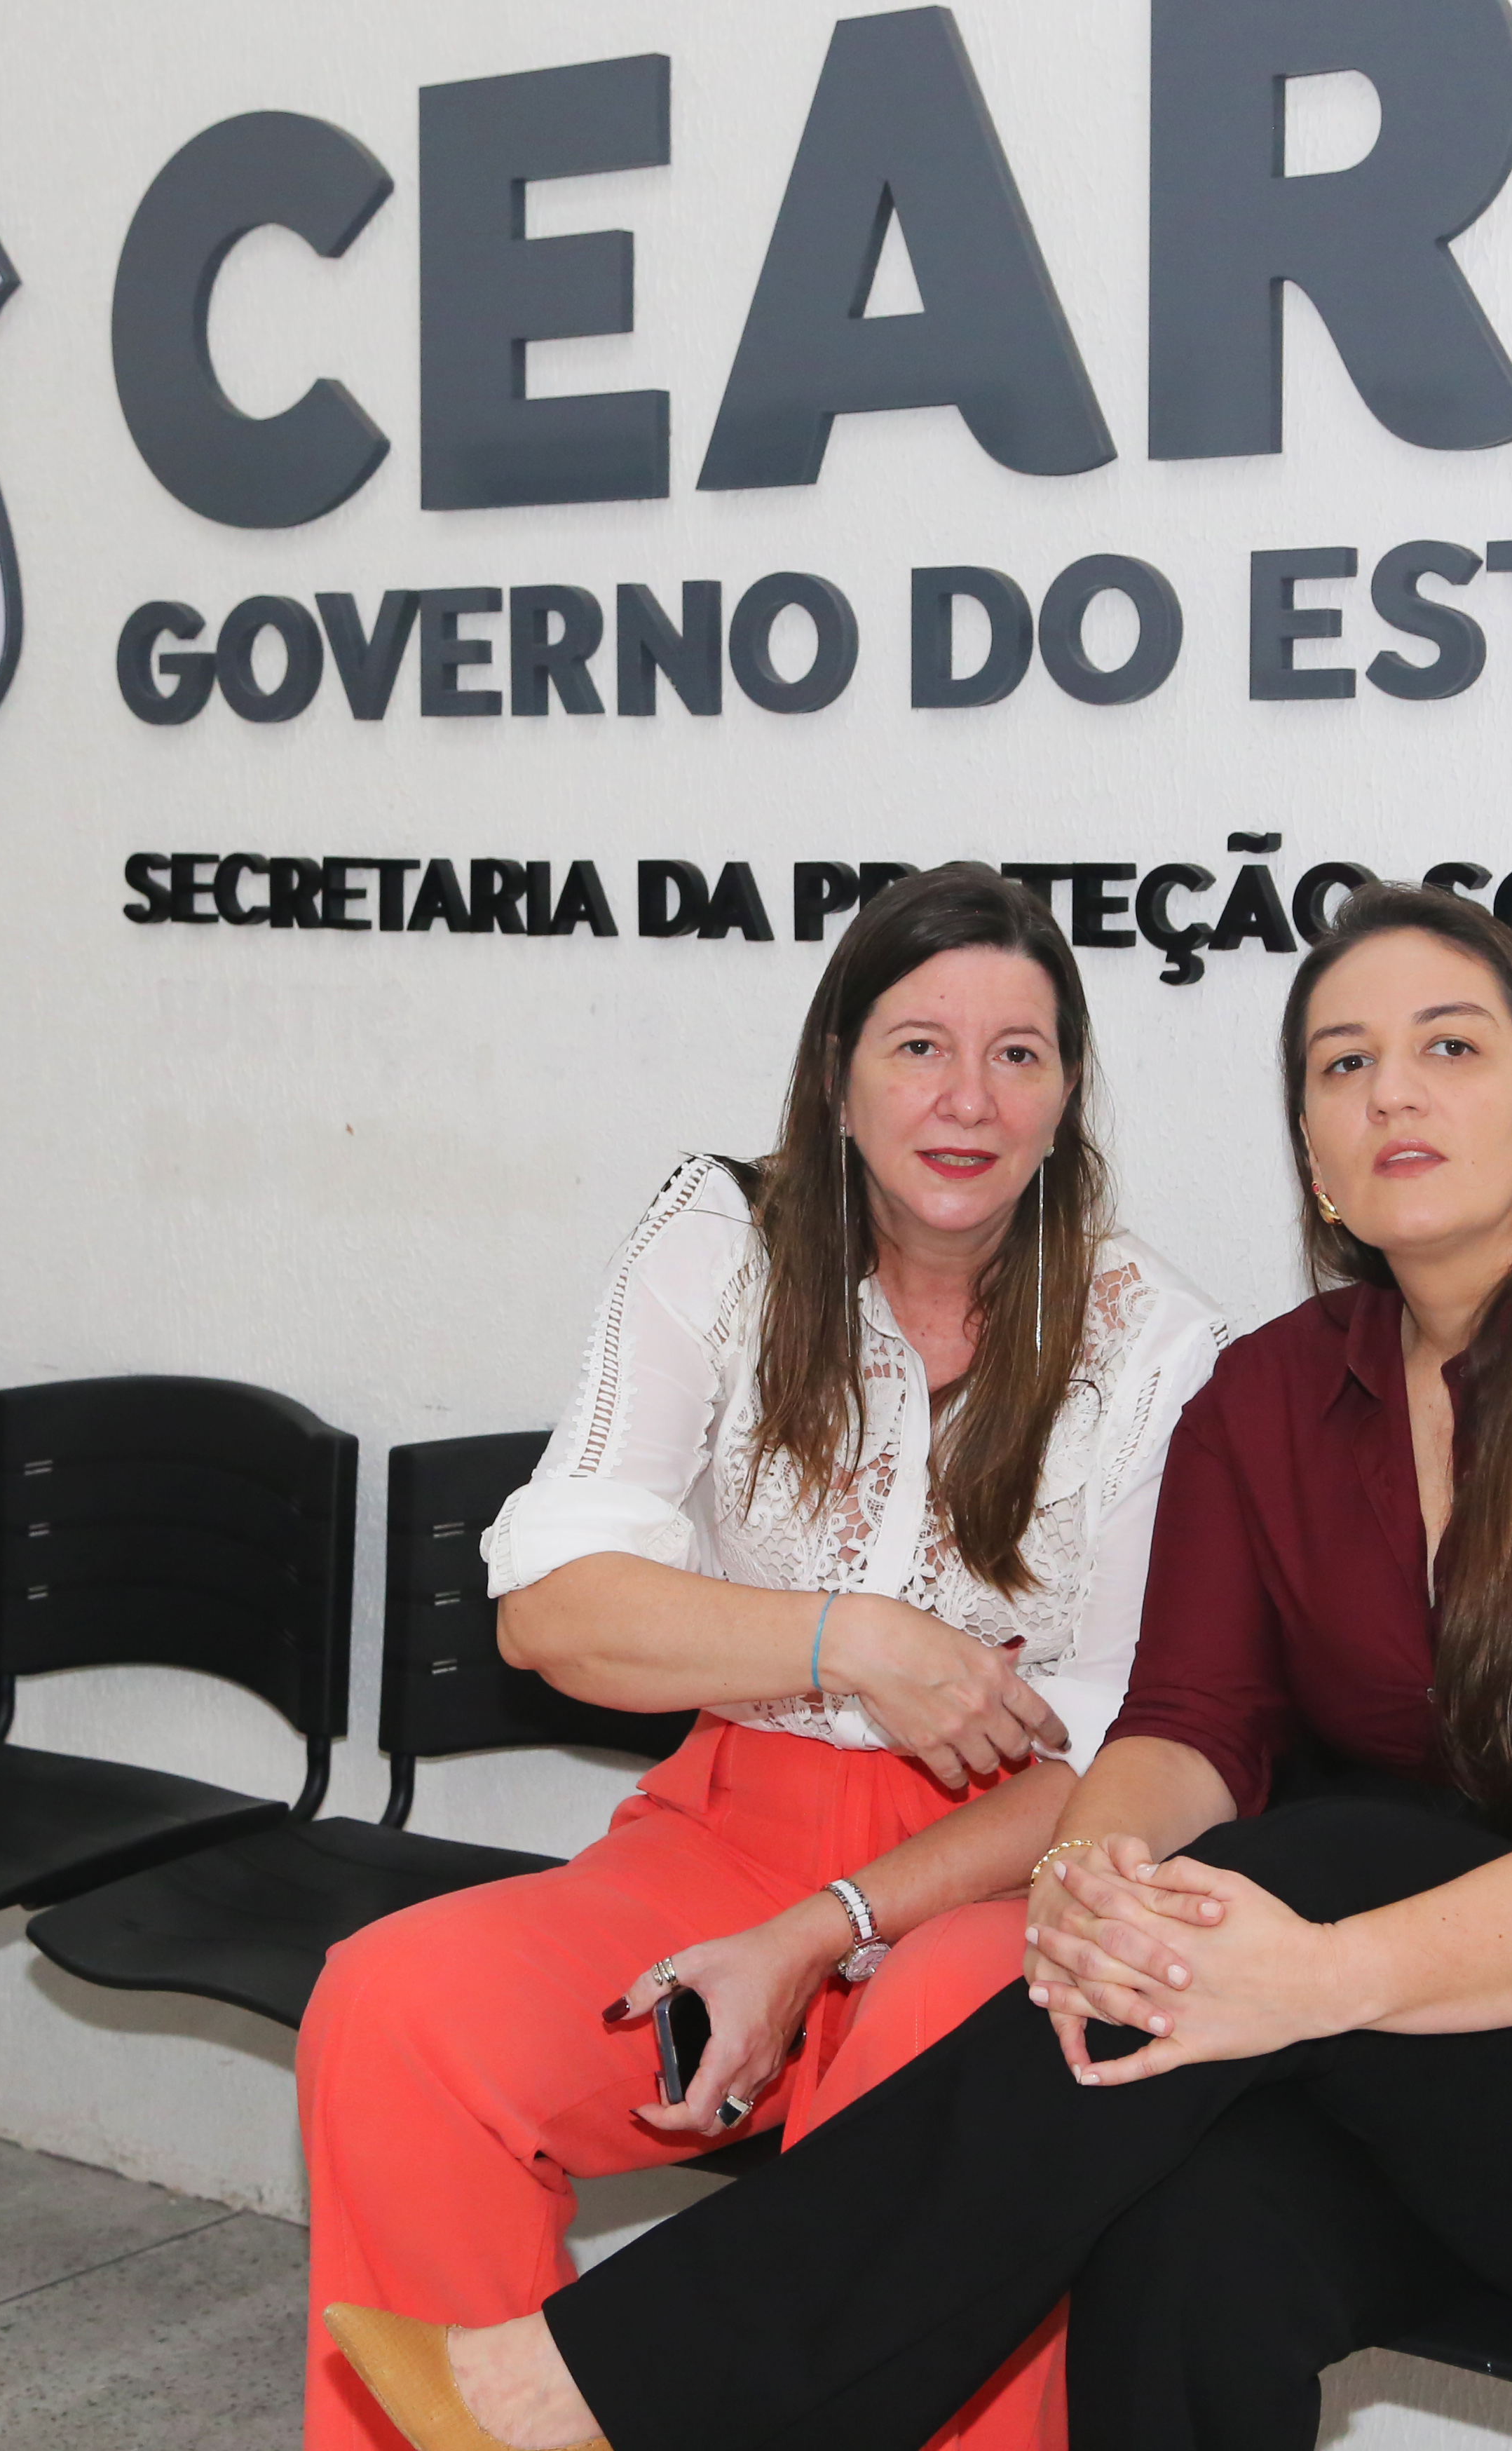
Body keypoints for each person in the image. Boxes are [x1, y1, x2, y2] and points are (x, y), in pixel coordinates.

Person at [325, 881, 1512, 2451]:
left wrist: (1316, 1975)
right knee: (1184, 2233)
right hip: (1451, 2067)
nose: (1394, 1091)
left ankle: (603, 2392)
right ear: (1312, 1151)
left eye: (1451, 1047)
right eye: (1344, 1063)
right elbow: (1192, 1728)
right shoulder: (1272, 1397)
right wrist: (1089, 1883)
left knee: (1301, 1862)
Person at [299, 862, 1228, 2451]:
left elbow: (1123, 1755)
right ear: (838, 1075)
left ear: (1068, 1098)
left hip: (1000, 1875)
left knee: (936, 2093)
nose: (968, 1098)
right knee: (396, 2012)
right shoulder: (723, 1242)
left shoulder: (1154, 1343)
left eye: (1018, 1054)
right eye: (919, 1046)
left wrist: (826, 1930)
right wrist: (844, 1639)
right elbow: (549, 1607)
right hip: (722, 1834)